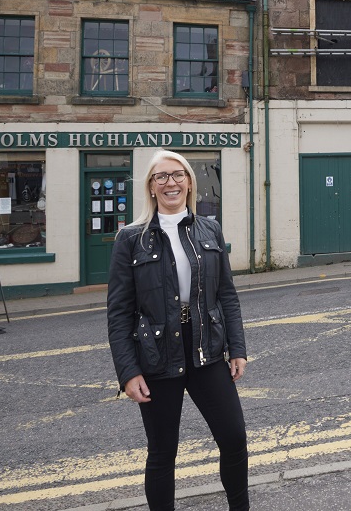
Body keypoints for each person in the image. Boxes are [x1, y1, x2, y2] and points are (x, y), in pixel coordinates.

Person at [107, 150, 250, 510]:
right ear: (151, 188)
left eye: (177, 175)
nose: (170, 182)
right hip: (156, 357)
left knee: (233, 439)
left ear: (189, 182)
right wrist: (128, 372)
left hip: (206, 349)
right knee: (162, 452)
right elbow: (119, 313)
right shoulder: (130, 238)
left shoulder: (209, 228)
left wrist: (238, 347)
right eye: (161, 177)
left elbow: (226, 295)